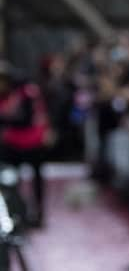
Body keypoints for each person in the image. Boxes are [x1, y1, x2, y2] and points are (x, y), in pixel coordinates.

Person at [0, 60, 54, 228]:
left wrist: (46, 131)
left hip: (32, 141)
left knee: (36, 179)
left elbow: (38, 114)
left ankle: (38, 213)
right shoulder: (5, 96)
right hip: (12, 143)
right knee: (9, 179)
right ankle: (14, 213)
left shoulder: (27, 92)